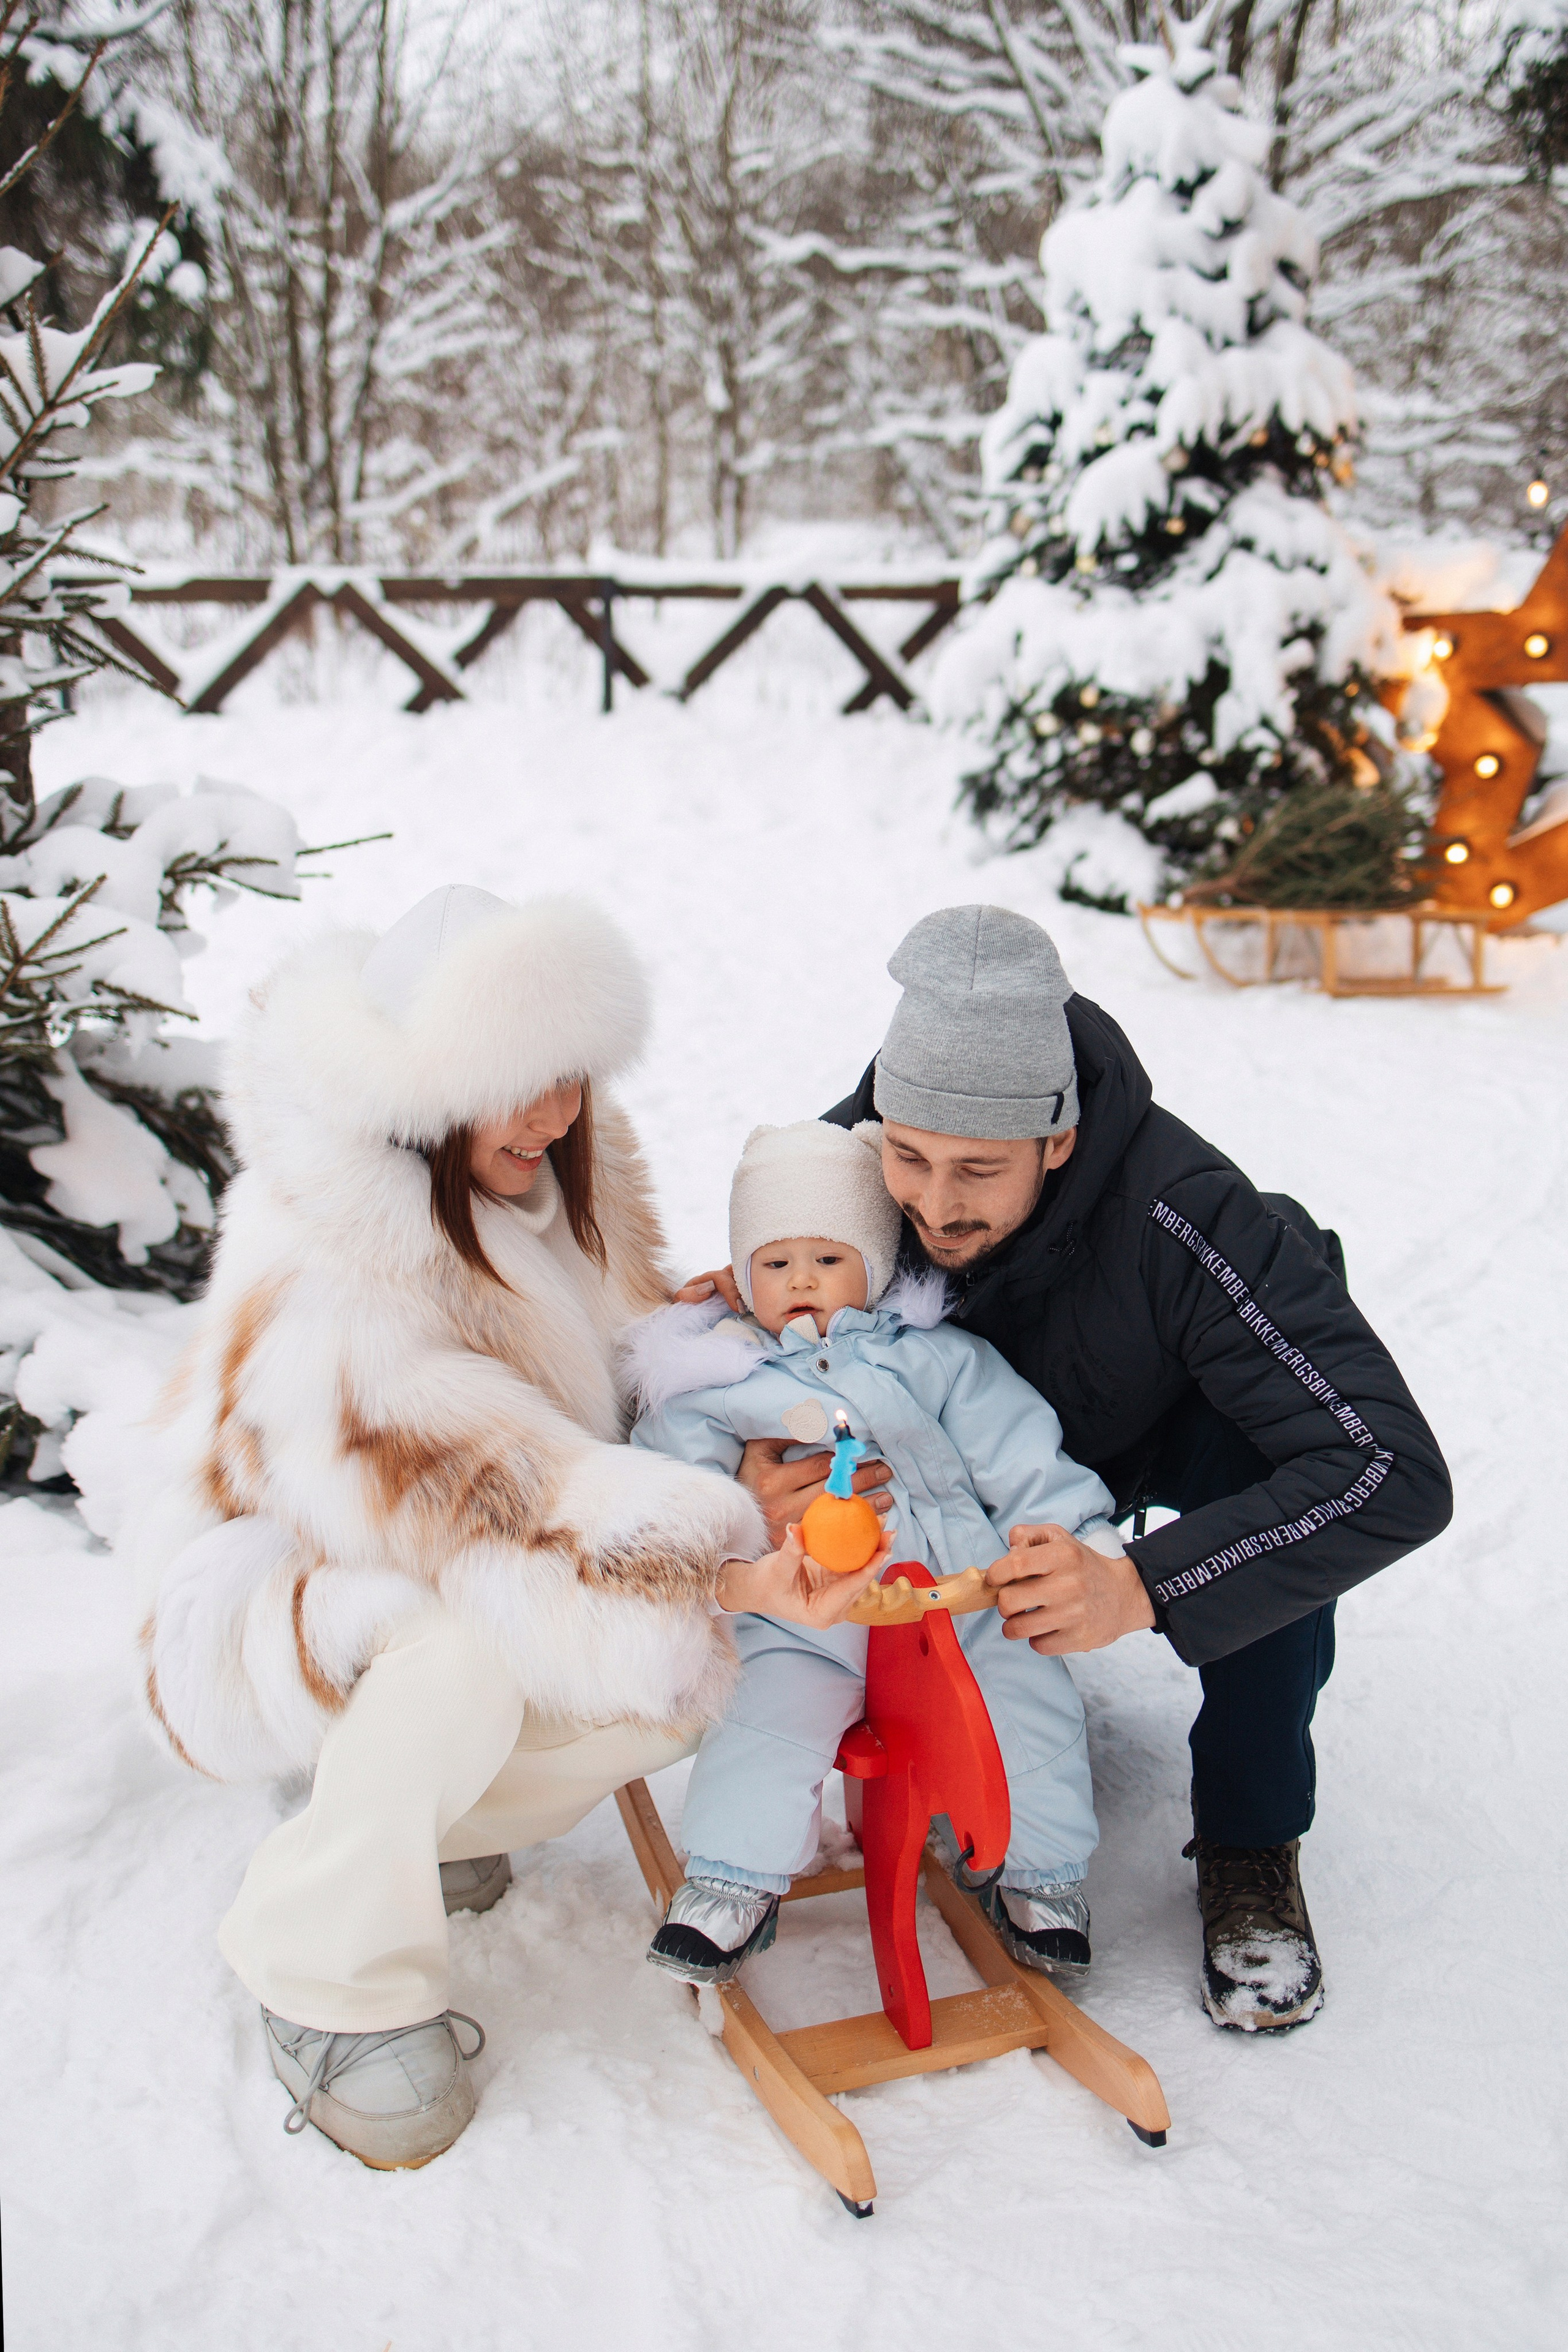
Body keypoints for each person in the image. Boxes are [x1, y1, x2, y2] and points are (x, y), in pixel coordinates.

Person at [124, 884, 878, 2170]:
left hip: (454, 1548)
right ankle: (323, 1965)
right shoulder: (336, 1256)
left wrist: (713, 1343)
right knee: (487, 1654)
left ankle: (425, 1813)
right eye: (521, 1081)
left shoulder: (553, 1171)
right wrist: (721, 1557)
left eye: (571, 1074)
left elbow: (597, 1388)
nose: (558, 1113)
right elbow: (481, 1500)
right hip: (298, 1594)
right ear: (425, 1084)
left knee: (661, 1673)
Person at [684, 905, 1453, 2032]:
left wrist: (1144, 1584)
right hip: (973, 1429)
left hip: (1145, 1422)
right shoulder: (863, 1154)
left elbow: (1392, 1469)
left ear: (1059, 1138)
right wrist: (742, 1448)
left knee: (1273, 1483)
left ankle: (1251, 1836)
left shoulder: (1186, 1212)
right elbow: (769, 1288)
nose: (935, 1207)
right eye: (907, 1158)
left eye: (979, 1173)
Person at [627, 1117, 1121, 1986]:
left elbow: (1021, 1454)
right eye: (775, 1264)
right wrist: (727, 1541)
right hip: (808, 1614)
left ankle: (1043, 1874)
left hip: (956, 1599)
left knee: (1027, 1696)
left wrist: (1076, 1543)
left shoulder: (938, 1360)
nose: (802, 1283)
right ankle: (730, 1881)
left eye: (828, 1258)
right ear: (743, 1280)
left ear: (876, 1264)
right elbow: (670, 1499)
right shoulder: (720, 1392)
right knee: (767, 1715)